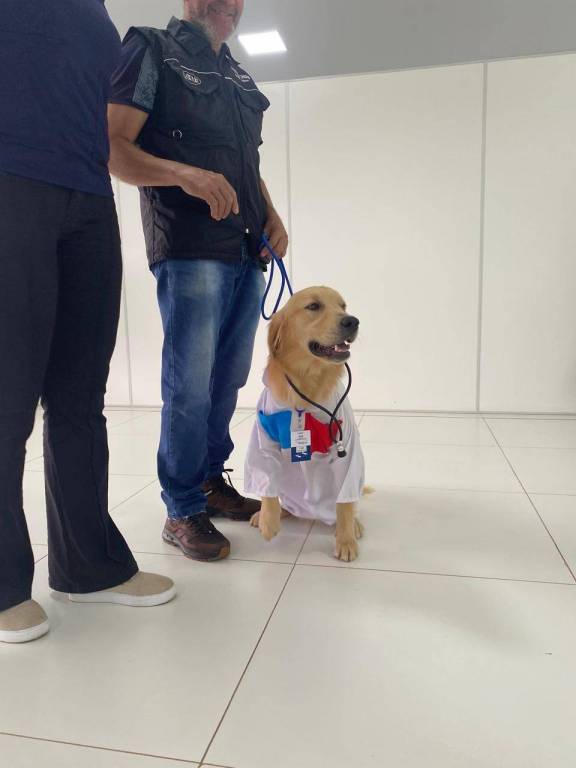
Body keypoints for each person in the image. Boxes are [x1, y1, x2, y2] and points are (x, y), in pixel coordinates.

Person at [0, 0, 176, 645]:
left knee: (79, 397)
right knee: (8, 398)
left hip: (89, 196)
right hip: (10, 183)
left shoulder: (95, 10)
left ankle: (88, 566)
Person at [108, 0, 289, 561]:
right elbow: (112, 147)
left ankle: (210, 481)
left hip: (246, 250)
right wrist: (183, 174)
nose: (230, 5)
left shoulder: (236, 74)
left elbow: (245, 164)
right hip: (189, 248)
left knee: (228, 377)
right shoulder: (151, 50)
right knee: (189, 384)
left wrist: (271, 214)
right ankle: (181, 507)